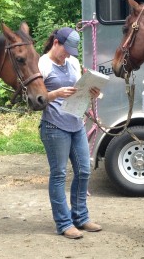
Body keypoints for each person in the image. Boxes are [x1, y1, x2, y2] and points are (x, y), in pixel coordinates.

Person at [39, 27, 101, 239]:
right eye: (66, 50)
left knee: (84, 170)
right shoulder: (42, 64)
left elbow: (80, 91)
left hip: (76, 122)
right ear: (56, 42)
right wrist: (55, 93)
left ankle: (81, 217)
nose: (68, 55)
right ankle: (64, 223)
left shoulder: (73, 63)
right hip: (54, 126)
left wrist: (92, 93)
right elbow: (35, 99)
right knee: (59, 174)